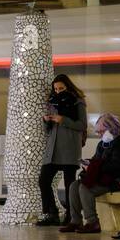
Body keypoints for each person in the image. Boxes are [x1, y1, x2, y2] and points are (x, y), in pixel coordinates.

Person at [61, 112, 120, 233]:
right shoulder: (102, 144)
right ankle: (75, 221)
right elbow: (96, 160)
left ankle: (92, 222)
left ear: (111, 129)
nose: (99, 135)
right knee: (74, 186)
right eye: (98, 132)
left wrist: (94, 167)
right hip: (104, 178)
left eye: (101, 132)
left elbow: (117, 166)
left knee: (85, 188)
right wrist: (88, 164)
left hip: (117, 180)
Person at [37, 75, 87, 226]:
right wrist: (46, 121)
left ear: (68, 87)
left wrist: (63, 120)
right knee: (44, 180)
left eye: (61, 89)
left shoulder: (78, 102)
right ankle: (51, 213)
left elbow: (82, 125)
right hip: (53, 148)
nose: (58, 92)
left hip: (69, 148)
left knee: (69, 184)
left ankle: (71, 216)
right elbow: (49, 131)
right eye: (56, 89)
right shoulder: (52, 103)